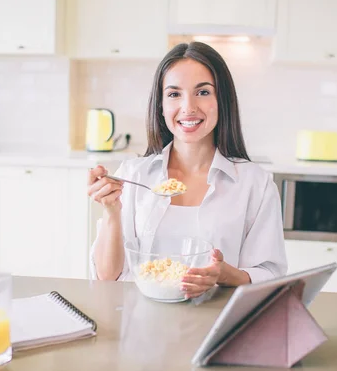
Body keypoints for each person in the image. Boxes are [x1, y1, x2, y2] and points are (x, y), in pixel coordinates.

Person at [87, 41, 287, 299]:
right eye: (174, 94)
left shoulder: (255, 184)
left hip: (217, 322)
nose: (188, 107)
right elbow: (107, 277)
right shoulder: (133, 176)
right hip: (141, 324)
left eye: (202, 92)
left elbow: (271, 275)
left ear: (222, 100)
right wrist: (112, 211)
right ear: (161, 105)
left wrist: (225, 274)